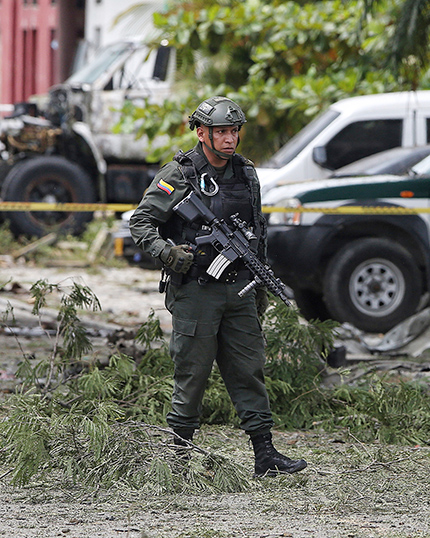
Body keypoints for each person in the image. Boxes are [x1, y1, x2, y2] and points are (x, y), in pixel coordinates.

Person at [129, 96, 307, 476]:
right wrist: (168, 253)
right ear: (201, 133)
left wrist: (259, 285)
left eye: (234, 132)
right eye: (221, 132)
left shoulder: (246, 174)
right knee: (191, 374)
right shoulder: (179, 174)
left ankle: (265, 455)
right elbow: (141, 222)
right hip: (196, 292)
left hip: (239, 289)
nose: (229, 139)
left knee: (249, 371)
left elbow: (256, 234)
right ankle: (177, 461)